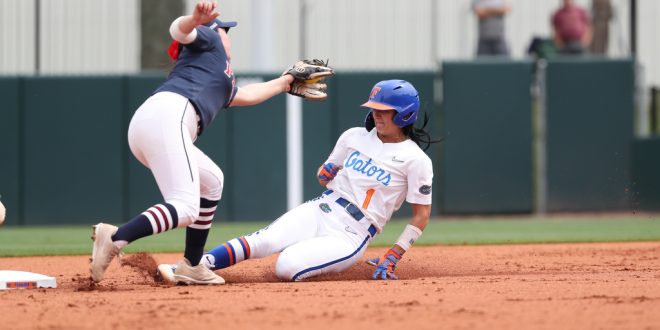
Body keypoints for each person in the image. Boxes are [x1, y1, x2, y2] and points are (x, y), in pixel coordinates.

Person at [89, 1, 316, 284]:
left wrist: (285, 82)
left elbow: (247, 95)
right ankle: (117, 237)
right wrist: (194, 20)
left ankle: (192, 265)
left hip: (154, 122)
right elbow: (179, 31)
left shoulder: (219, 73)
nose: (227, 36)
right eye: (225, 30)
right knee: (185, 207)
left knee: (212, 181)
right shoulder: (209, 43)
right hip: (169, 116)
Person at [159, 79, 439, 283]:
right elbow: (323, 175)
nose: (376, 113)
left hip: (352, 232)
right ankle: (193, 266)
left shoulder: (416, 160)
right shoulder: (354, 136)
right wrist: (324, 172)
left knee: (287, 266)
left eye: (384, 109)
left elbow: (421, 216)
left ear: (404, 114)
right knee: (264, 240)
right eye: (374, 106)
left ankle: (324, 261)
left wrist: (393, 255)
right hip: (322, 207)